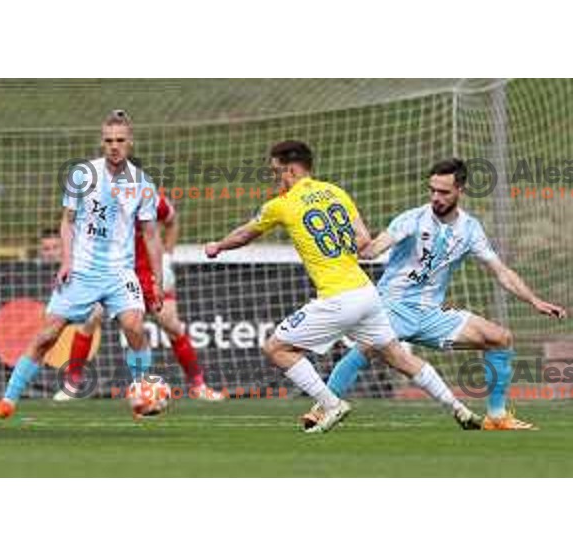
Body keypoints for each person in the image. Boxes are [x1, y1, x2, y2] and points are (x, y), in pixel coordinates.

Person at [205, 141, 481, 433]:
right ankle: (459, 409)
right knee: (400, 358)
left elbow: (244, 235)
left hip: (337, 298)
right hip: (367, 293)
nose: (277, 179)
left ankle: (331, 404)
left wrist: (218, 246)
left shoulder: (281, 205)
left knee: (276, 348)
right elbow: (364, 240)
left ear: (292, 169)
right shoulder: (337, 193)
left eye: (277, 172)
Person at [322, 157, 567, 430]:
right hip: (392, 307)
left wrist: (534, 300)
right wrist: (352, 241)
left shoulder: (470, 228)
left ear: (460, 190)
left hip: (431, 315)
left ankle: (496, 417)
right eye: (432, 190)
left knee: (500, 338)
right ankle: (324, 407)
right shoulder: (412, 219)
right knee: (366, 348)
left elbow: (501, 271)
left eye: (443, 192)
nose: (436, 197)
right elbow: (373, 249)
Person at [0, 109, 162, 420]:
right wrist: (67, 260)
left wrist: (155, 279)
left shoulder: (143, 184)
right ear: (101, 142)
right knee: (47, 335)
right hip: (82, 271)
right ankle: (7, 402)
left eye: (120, 140)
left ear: (130, 142)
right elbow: (66, 222)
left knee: (134, 326)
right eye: (108, 141)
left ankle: (140, 396)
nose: (114, 146)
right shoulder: (82, 174)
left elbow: (151, 234)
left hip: (120, 272)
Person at [53, 189, 223, 402]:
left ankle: (199, 386)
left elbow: (171, 221)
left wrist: (167, 257)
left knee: (170, 323)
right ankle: (72, 384)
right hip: (112, 274)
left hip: (149, 274)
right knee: (90, 319)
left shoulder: (152, 199)